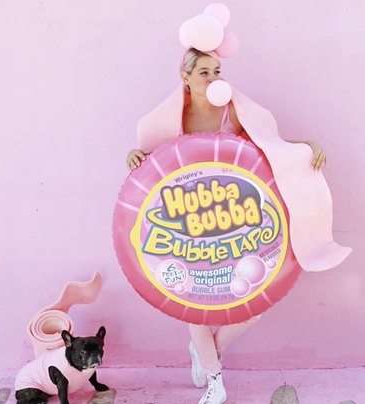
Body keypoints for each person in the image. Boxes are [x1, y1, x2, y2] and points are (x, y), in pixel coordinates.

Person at [126, 48, 327, 404]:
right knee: (194, 301)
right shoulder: (173, 117)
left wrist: (305, 147)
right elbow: (152, 163)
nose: (214, 79)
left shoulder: (231, 110)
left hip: (235, 219)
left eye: (217, 71)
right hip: (188, 222)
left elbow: (268, 148)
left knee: (257, 301)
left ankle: (206, 351)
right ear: (184, 76)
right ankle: (215, 380)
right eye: (204, 72)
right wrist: (133, 156)